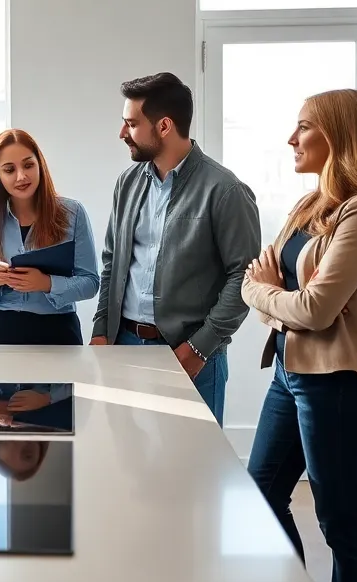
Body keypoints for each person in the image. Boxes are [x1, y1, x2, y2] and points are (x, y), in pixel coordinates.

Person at [240, 89, 357, 582]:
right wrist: (281, 301)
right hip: (293, 372)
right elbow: (265, 284)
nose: (291, 139)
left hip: (342, 379)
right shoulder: (310, 207)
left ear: (339, 136)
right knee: (261, 497)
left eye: (304, 128)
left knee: (341, 523)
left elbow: (314, 309)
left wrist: (278, 298)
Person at [90, 72, 261, 426]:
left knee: (193, 473)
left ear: (164, 125)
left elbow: (244, 279)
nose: (123, 133)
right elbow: (113, 263)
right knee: (129, 468)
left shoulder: (225, 190)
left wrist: (199, 348)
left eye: (131, 124)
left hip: (190, 355)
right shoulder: (128, 183)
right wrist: (101, 330)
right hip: (122, 349)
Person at [0, 129, 99, 345]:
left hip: (58, 330)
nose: (21, 176)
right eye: (9, 169)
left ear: (40, 165)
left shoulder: (73, 213)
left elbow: (91, 283)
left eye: (28, 165)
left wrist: (46, 283)